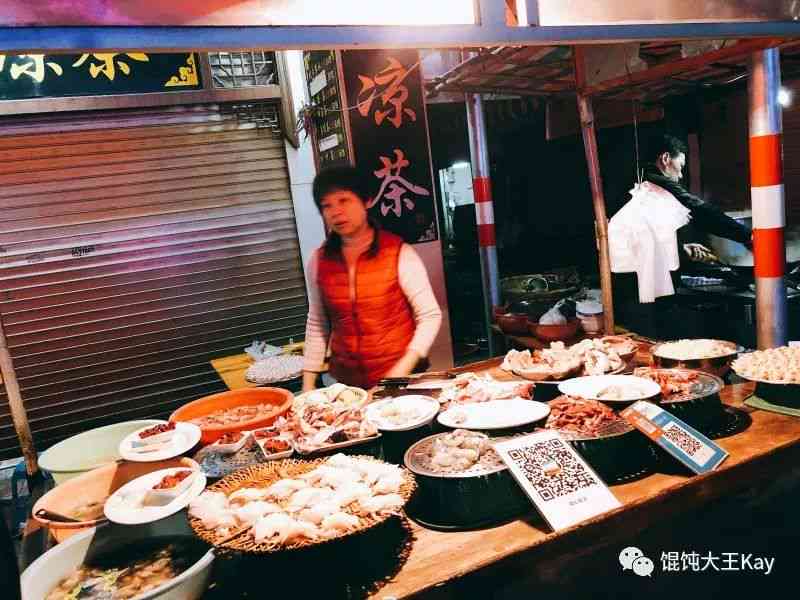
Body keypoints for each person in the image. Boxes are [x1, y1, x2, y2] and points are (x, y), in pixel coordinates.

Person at [302, 166, 443, 391]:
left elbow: (430, 315)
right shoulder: (318, 261)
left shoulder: (399, 253)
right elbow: (318, 322)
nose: (335, 212)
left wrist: (399, 373)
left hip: (403, 381)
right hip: (349, 387)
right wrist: (307, 389)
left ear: (366, 201)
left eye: (344, 200)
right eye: (326, 205)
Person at [643, 133, 752, 261]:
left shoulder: (643, 179)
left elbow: (648, 238)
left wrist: (681, 248)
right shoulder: (657, 182)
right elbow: (699, 210)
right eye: (681, 166)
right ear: (666, 158)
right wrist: (746, 235)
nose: (681, 176)